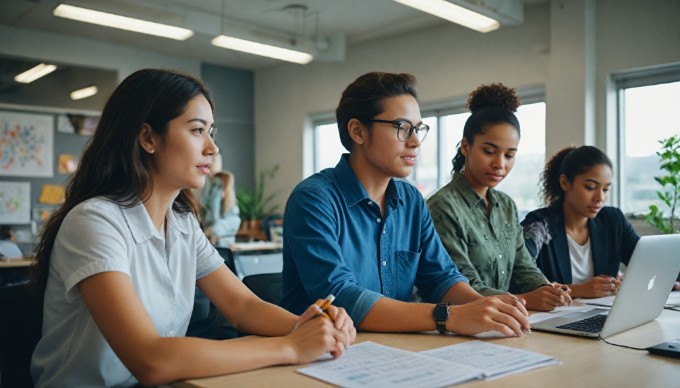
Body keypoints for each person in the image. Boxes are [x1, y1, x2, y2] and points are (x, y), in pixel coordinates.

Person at [30, 68, 355, 387]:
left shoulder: (182, 222)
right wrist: (291, 346)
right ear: (148, 138)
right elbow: (151, 360)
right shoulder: (95, 222)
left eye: (211, 132)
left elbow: (243, 306)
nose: (212, 149)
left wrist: (310, 325)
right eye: (197, 130)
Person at [281, 72, 530, 337]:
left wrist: (485, 307)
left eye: (418, 129)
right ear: (358, 131)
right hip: (322, 354)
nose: (415, 142)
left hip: (396, 350)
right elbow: (342, 297)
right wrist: (450, 316)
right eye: (402, 127)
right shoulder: (314, 199)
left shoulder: (411, 201)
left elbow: (441, 277)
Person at [427, 83, 572, 312]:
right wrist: (525, 300)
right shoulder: (443, 206)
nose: (500, 164)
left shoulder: (506, 206)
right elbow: (463, 284)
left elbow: (523, 266)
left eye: (509, 155)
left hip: (506, 319)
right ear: (466, 146)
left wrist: (547, 290)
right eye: (489, 151)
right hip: (460, 323)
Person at [520, 145, 642, 298]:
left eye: (605, 189)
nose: (600, 198)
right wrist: (580, 290)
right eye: (590, 187)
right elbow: (517, 279)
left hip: (604, 315)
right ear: (564, 182)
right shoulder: (538, 226)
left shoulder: (613, 220)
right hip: (552, 317)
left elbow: (645, 263)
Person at [201, 165, 242, 246]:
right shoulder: (210, 209)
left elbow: (214, 229)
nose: (213, 190)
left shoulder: (233, 214)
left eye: (217, 186)